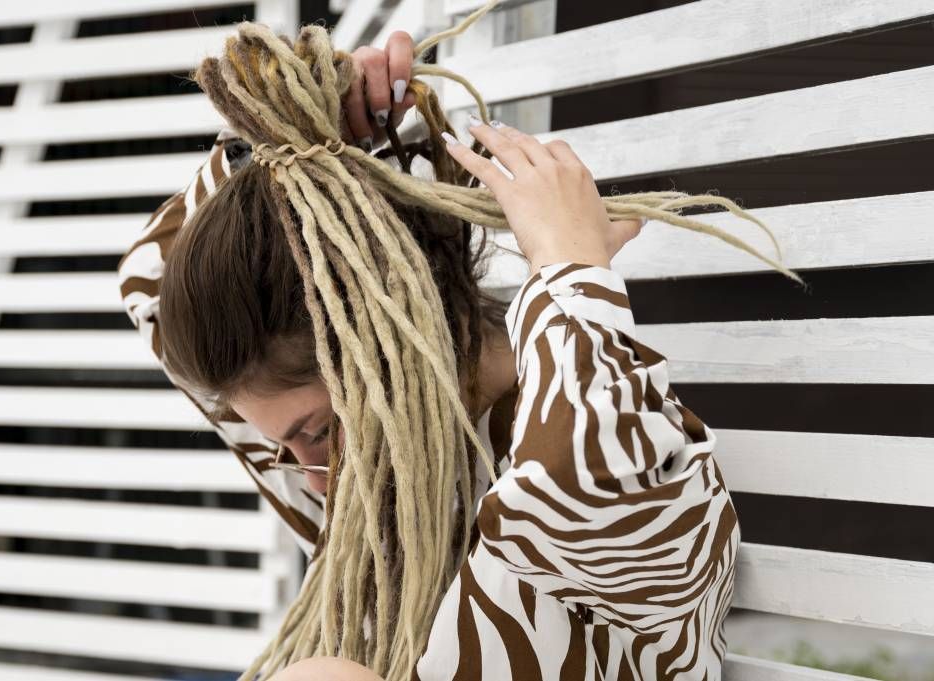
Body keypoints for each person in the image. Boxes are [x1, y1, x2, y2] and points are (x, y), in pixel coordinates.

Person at [117, 26, 740, 681]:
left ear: (392, 339)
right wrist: (295, 137)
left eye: (320, 430)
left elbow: (581, 474)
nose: (310, 479)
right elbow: (149, 289)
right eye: (287, 447)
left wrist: (569, 268)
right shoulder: (368, 509)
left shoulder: (611, 449)